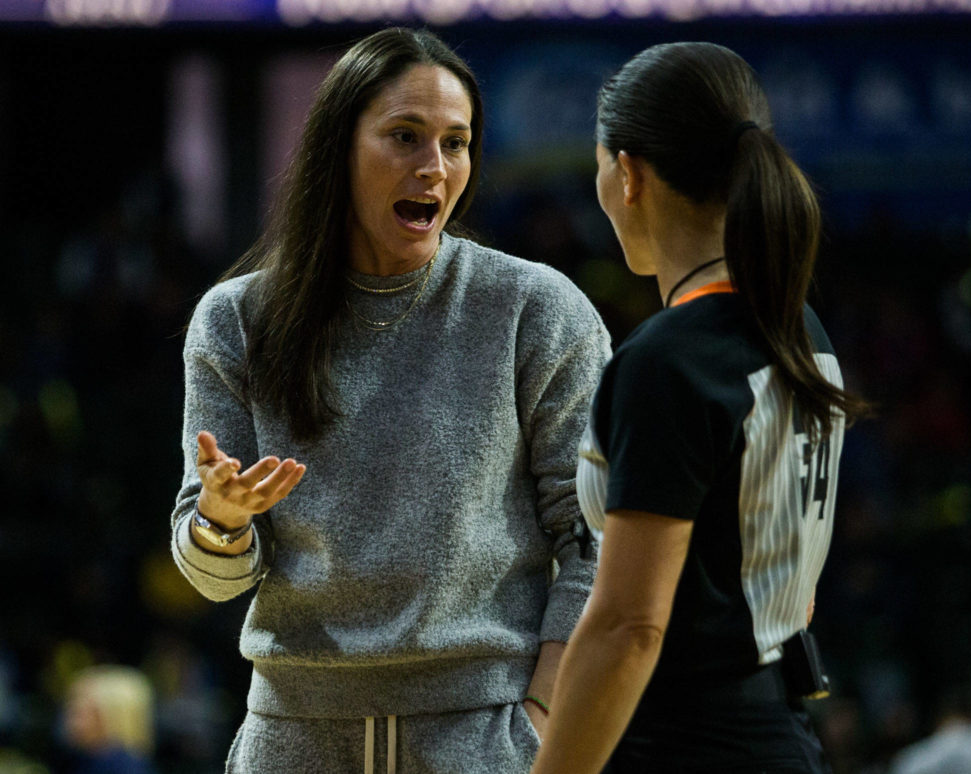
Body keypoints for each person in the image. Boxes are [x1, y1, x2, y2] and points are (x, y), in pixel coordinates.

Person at [169, 26, 610, 774]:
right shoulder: (236, 320)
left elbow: (595, 541)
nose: (433, 167)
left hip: (486, 740)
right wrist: (222, 518)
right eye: (404, 136)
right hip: (292, 739)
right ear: (339, 148)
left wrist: (537, 720)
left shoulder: (536, 310)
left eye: (456, 142)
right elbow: (212, 576)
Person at [530, 42, 871, 774]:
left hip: (681, 746)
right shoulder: (801, 331)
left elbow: (628, 627)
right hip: (779, 736)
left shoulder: (669, 361)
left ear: (628, 175)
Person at [61, 665, 156, 774]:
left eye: (79, 709)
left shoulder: (127, 768)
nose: (68, 716)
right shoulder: (79, 760)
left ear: (111, 716)